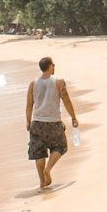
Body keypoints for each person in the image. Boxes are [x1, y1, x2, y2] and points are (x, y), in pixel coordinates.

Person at [25, 56, 79, 189]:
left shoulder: (33, 83)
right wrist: (73, 117)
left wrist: (28, 121)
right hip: (53, 122)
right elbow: (66, 100)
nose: (54, 67)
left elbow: (29, 105)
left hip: (37, 123)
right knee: (60, 146)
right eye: (53, 65)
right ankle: (48, 169)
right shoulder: (59, 82)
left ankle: (42, 182)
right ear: (49, 66)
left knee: (39, 152)